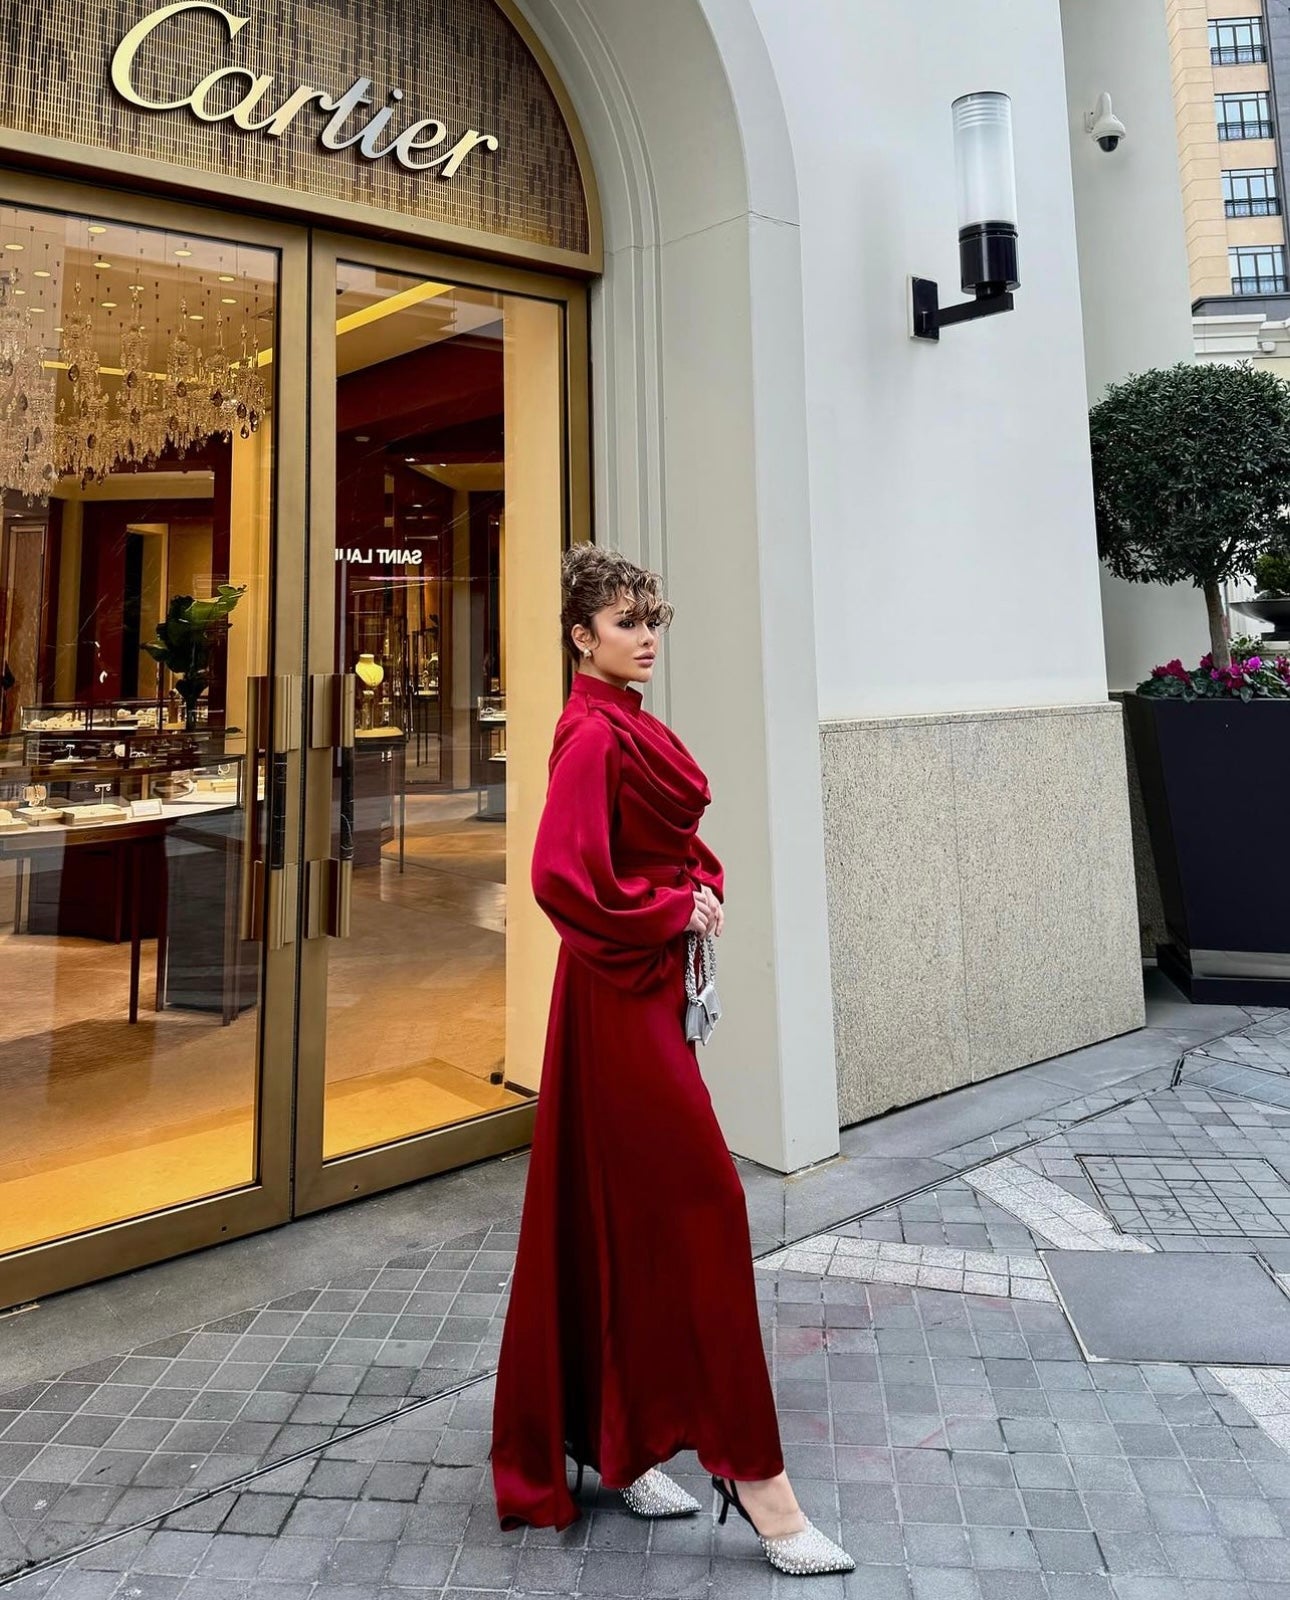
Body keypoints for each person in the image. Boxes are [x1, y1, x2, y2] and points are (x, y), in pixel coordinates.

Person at [489, 546, 854, 1577]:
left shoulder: (630, 721)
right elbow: (563, 878)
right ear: (580, 636)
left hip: (641, 991)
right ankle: (761, 1484)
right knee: (706, 1208)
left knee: (627, 1218)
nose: (646, 636)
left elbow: (666, 838)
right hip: (617, 1001)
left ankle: (625, 1440)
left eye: (653, 618)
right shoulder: (589, 735)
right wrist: (667, 906)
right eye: (624, 621)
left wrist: (700, 883)